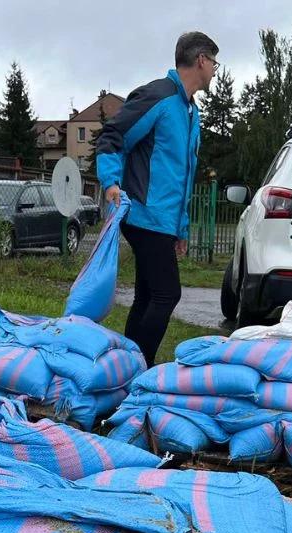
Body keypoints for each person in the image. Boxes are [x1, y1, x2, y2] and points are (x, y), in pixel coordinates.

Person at [95, 31, 219, 367]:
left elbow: (181, 177)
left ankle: (123, 367)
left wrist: (180, 227)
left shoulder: (191, 113)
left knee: (148, 295)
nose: (215, 71)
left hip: (162, 220)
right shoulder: (159, 97)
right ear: (201, 60)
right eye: (214, 63)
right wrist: (110, 182)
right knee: (168, 293)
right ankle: (139, 369)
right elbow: (114, 135)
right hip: (142, 214)